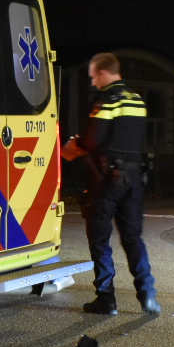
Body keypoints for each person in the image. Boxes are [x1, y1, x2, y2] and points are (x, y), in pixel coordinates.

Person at [66, 52, 158, 315]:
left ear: (104, 72)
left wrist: (74, 146)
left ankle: (106, 298)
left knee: (99, 240)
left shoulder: (107, 100)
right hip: (133, 180)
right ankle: (148, 295)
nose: (94, 83)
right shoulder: (137, 100)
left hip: (105, 181)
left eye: (94, 76)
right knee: (133, 238)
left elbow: (91, 141)